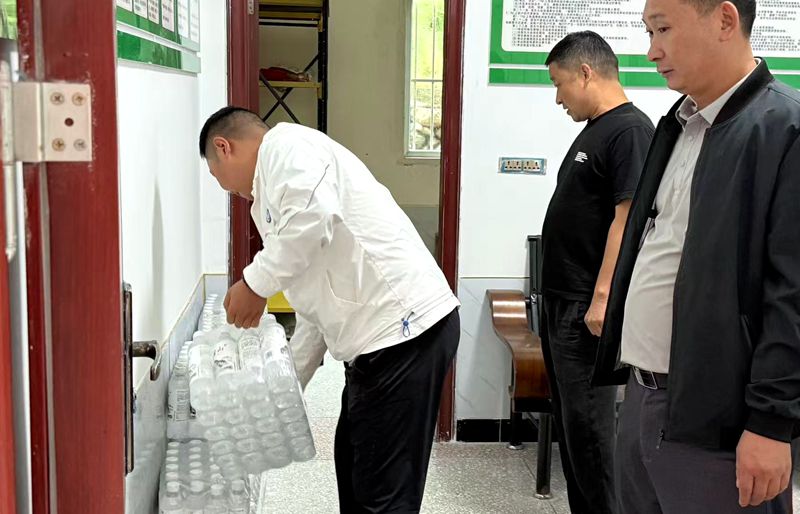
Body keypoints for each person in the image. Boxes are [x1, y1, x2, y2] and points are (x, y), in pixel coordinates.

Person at [198, 107, 460, 513]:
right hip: (378, 344)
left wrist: (254, 284)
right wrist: (286, 390)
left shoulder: (287, 147)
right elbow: (314, 308)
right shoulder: (273, 191)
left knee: (382, 494)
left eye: (221, 181)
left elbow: (311, 221)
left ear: (224, 147)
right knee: (354, 468)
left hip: (404, 333)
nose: (232, 192)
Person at [592, 0, 800, 512]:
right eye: (648, 32)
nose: (651, 52)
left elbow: (792, 295)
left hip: (718, 417)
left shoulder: (783, 129)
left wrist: (771, 424)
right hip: (645, 396)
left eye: (662, 30)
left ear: (725, 20)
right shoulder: (680, 124)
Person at [541, 31, 655, 514]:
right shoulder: (596, 129)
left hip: (587, 308)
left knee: (591, 437)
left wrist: (604, 298)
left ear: (586, 72)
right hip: (563, 301)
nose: (558, 97)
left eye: (560, 83)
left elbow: (628, 217)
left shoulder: (629, 129)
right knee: (573, 434)